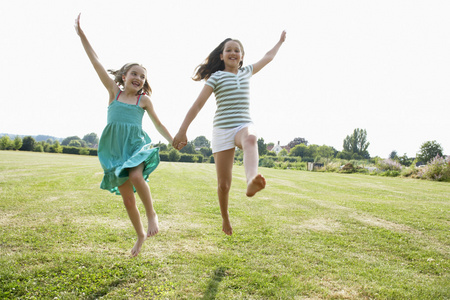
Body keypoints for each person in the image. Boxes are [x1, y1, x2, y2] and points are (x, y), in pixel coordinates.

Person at [75, 14, 179, 256]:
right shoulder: (115, 94)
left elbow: (159, 124)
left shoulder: (144, 101)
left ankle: (152, 214)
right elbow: (96, 62)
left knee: (135, 175)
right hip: (115, 150)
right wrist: (82, 35)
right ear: (124, 77)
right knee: (127, 200)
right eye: (135, 73)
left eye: (142, 77)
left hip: (135, 146)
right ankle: (140, 235)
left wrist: (173, 139)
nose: (139, 78)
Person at [172, 31, 286, 235]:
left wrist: (279, 42)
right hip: (222, 130)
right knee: (223, 185)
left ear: (242, 56)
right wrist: (182, 131)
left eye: (237, 50)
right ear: (222, 56)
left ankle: (252, 180)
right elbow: (198, 104)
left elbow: (268, 57)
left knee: (251, 138)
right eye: (229, 50)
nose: (233, 52)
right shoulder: (215, 77)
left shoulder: (247, 71)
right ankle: (225, 217)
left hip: (243, 124)